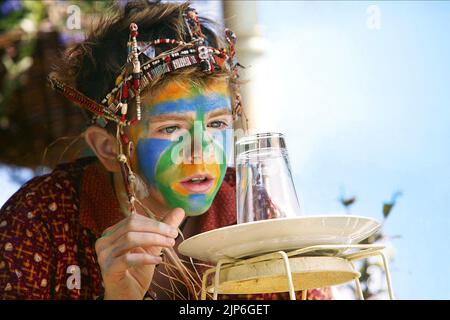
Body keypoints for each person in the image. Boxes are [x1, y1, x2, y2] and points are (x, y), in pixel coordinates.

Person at [0, 1, 332, 300]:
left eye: (217, 125)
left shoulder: (249, 214)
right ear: (107, 147)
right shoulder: (40, 221)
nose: (200, 153)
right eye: (171, 129)